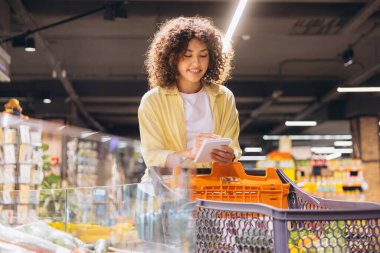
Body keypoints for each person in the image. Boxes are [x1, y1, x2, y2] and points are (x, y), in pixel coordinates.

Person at [138, 16, 242, 182]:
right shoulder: (153, 100)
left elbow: (234, 148)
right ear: (172, 57)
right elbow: (152, 156)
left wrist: (230, 156)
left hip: (211, 190)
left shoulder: (224, 97)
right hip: (165, 190)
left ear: (212, 58)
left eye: (203, 55)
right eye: (187, 55)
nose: (196, 63)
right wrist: (191, 154)